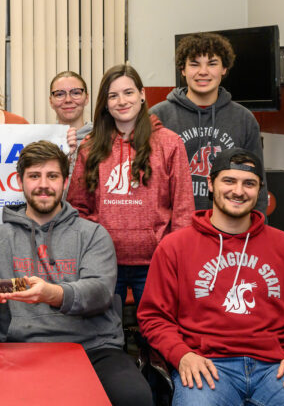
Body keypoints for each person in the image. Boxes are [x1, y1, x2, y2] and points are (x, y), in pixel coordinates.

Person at [137, 148, 284, 406]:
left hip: (278, 368)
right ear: (211, 184)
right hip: (207, 367)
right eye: (229, 181)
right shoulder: (174, 247)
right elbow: (154, 317)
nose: (238, 191)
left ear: (260, 191)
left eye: (249, 184)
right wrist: (182, 356)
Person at [0, 140, 152, 406]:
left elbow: (100, 292)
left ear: (65, 182)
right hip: (18, 348)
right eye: (34, 176)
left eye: (52, 176)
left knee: (135, 398)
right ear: (20, 182)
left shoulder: (92, 233)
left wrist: (53, 294)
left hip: (93, 349)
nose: (43, 184)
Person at [66, 64, 194, 308]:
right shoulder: (90, 146)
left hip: (155, 263)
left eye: (128, 92)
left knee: (154, 334)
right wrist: (88, 250)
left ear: (142, 95)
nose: (121, 101)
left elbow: (183, 208)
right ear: (105, 102)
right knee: (103, 334)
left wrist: (175, 257)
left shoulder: (169, 143)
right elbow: (77, 206)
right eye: (113, 96)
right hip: (103, 262)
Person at [151, 32, 268, 212]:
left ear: (224, 69)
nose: (203, 72)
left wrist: (258, 227)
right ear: (182, 69)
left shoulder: (244, 119)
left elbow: (257, 180)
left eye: (212, 64)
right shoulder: (158, 116)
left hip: (229, 226)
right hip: (173, 228)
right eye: (194, 64)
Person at [50, 70, 93, 177]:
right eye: (60, 94)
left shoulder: (103, 140)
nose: (68, 100)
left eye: (76, 93)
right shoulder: (45, 142)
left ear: (86, 98)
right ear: (51, 101)